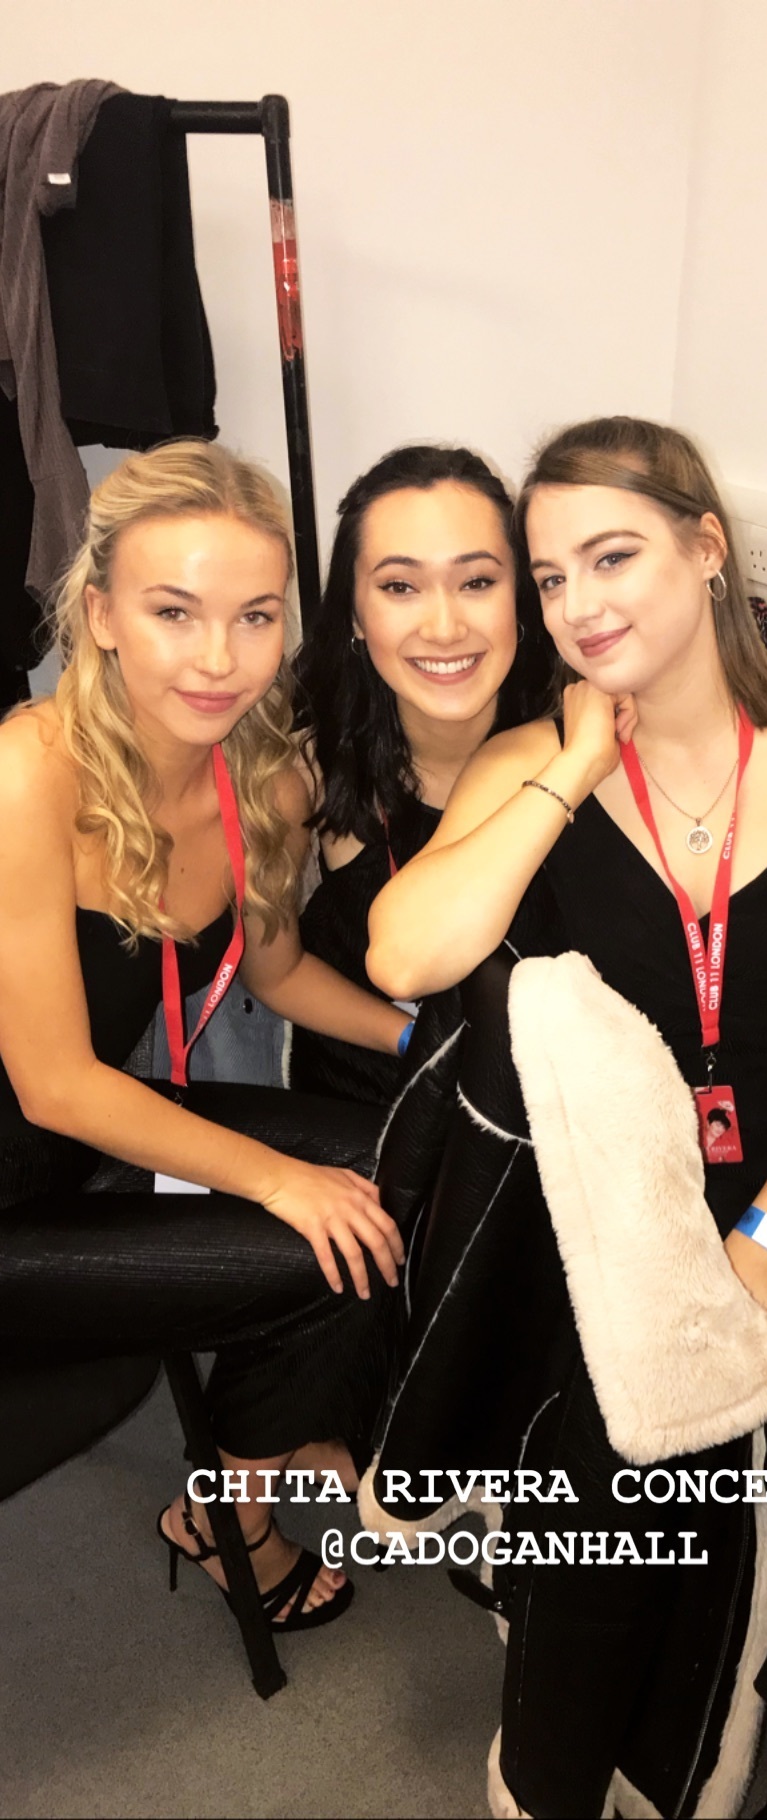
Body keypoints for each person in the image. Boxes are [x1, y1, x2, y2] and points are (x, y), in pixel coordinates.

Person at [367, 416, 767, 1817]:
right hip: (647, 1173)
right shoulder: (534, 758)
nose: (578, 606)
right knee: (621, 1428)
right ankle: (660, 1742)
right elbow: (405, 954)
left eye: (613, 558)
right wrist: (570, 768)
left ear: (706, 548)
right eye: (549, 579)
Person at [0, 440, 411, 1631]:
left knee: (399, 1166)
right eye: (174, 611)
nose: (220, 658)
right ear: (102, 615)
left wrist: (425, 1043)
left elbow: (279, 975)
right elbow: (53, 1081)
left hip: (83, 1154)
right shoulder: (29, 770)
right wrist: (278, 1178)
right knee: (330, 1231)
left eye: (255, 616)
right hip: (29, 1158)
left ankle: (247, 1468)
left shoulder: (261, 780)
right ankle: (245, 1513)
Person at [290, 444, 558, 1105]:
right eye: (400, 587)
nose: (443, 627)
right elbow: (269, 969)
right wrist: (415, 1041)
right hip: (358, 1121)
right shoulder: (307, 764)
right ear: (355, 615)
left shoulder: (581, 744)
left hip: (540, 1127)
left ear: (520, 597)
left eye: (477, 582)